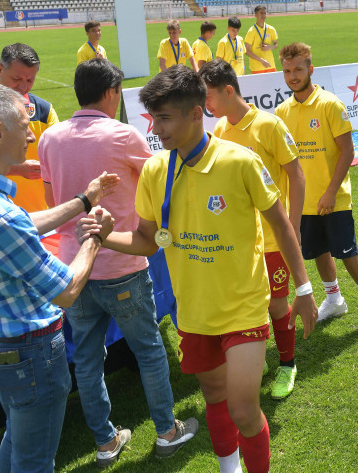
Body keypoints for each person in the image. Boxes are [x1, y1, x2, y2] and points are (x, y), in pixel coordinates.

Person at [82, 64, 317, 473]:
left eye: (165, 117)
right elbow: (145, 240)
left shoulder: (239, 161)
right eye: (153, 117)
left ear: (196, 113)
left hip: (243, 308)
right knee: (214, 401)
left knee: (244, 409)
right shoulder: (156, 170)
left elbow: (280, 224)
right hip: (193, 314)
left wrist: (303, 289)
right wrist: (105, 234)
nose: (156, 127)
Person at [0, 83, 118, 473]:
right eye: (25, 123)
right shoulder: (0, 217)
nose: (34, 134)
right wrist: (95, 237)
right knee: (34, 461)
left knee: (17, 435)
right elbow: (66, 290)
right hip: (29, 357)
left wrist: (83, 200)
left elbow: (20, 227)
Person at [39, 59, 196, 466]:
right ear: (111, 93)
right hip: (121, 264)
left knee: (88, 361)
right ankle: (166, 431)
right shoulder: (123, 134)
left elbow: (49, 201)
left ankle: (106, 442)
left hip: (73, 267)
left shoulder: (50, 137)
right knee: (148, 351)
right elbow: (164, 181)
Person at [203, 58, 306, 400]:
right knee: (248, 304)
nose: (206, 104)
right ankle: (257, 357)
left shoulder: (269, 125)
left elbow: (296, 174)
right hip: (241, 241)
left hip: (273, 239)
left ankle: (288, 364)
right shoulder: (219, 130)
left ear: (228, 90)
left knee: (277, 305)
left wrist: (294, 224)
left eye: (209, 96)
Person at [276, 42, 358, 333]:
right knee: (318, 252)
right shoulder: (281, 112)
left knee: (347, 252)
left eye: (298, 69)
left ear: (311, 69)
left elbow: (347, 152)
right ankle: (334, 298)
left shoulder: (330, 104)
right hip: (302, 201)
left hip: (333, 198)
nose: (293, 76)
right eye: (287, 71)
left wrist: (331, 192)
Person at [0, 43, 59, 212]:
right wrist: (17, 169)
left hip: (40, 214)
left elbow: (58, 155)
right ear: (0, 70)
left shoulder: (44, 110)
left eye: (30, 80)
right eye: (17, 79)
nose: (23, 87)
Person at [244, 6, 279, 74]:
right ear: (256, 15)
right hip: (257, 67)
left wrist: (270, 47)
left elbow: (276, 44)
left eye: (264, 13)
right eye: (261, 13)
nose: (263, 15)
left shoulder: (271, 29)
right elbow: (246, 50)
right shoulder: (251, 31)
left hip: (270, 65)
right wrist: (261, 60)